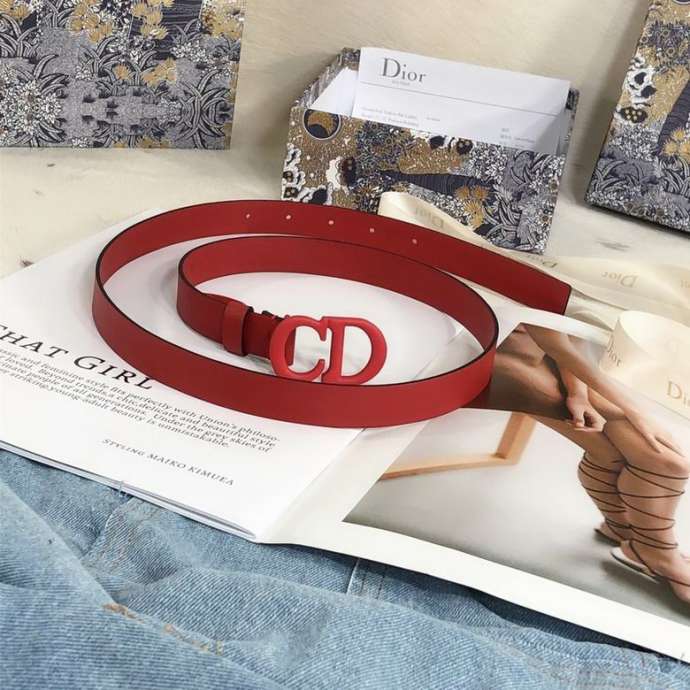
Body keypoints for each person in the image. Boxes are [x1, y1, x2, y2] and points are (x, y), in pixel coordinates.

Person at [475, 323, 690, 603]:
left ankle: (627, 531)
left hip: (550, 354)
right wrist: (636, 413)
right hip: (498, 351)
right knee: (613, 452)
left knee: (668, 462)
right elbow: (556, 342)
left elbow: (567, 334)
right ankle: (656, 552)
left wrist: (578, 392)